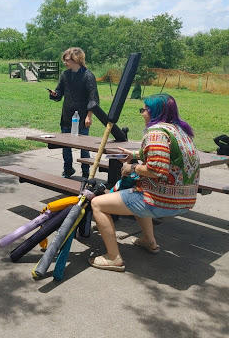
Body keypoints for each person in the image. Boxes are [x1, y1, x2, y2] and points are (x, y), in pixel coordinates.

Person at [88, 93, 200, 272]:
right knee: (138, 192)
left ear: (155, 112)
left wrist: (131, 168)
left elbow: (156, 170)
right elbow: (168, 157)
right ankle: (149, 242)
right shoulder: (180, 131)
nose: (142, 113)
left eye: (144, 110)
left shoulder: (156, 133)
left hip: (162, 201)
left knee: (97, 204)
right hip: (184, 200)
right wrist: (134, 156)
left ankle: (113, 258)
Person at [49, 47, 99, 179]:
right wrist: (55, 94)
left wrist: (89, 116)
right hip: (67, 115)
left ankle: (86, 172)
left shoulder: (88, 75)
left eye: (67, 60)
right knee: (66, 145)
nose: (65, 62)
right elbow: (59, 92)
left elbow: (93, 98)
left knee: (84, 146)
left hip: (82, 116)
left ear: (76, 59)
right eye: (64, 60)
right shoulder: (65, 75)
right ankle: (68, 169)